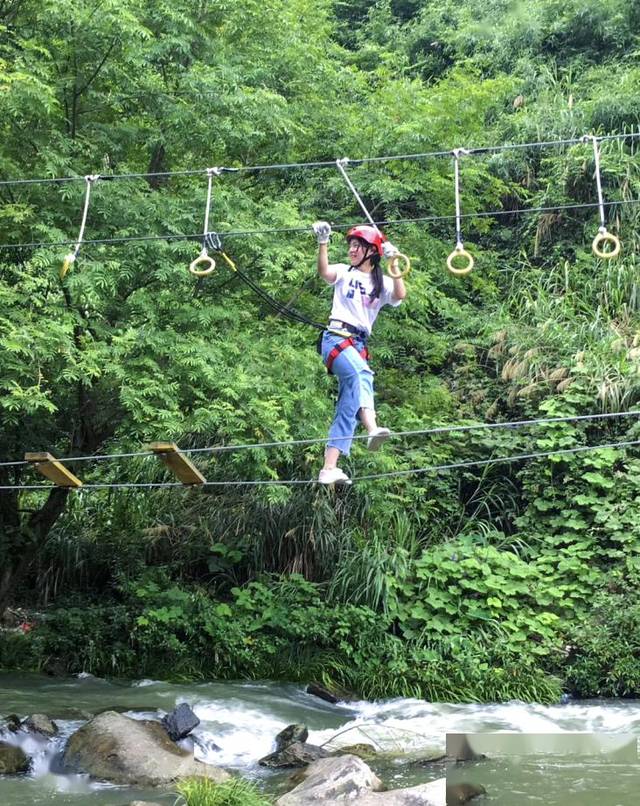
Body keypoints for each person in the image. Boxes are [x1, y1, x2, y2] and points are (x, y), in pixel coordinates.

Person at [312, 221, 407, 485]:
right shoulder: (344, 272)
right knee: (362, 374)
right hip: (336, 338)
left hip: (358, 344)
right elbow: (324, 271)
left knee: (348, 405)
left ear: (370, 252)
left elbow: (401, 294)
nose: (352, 250)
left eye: (358, 246)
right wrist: (323, 243)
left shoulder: (382, 282)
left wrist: (395, 262)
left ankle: (329, 468)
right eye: (351, 245)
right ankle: (372, 427)